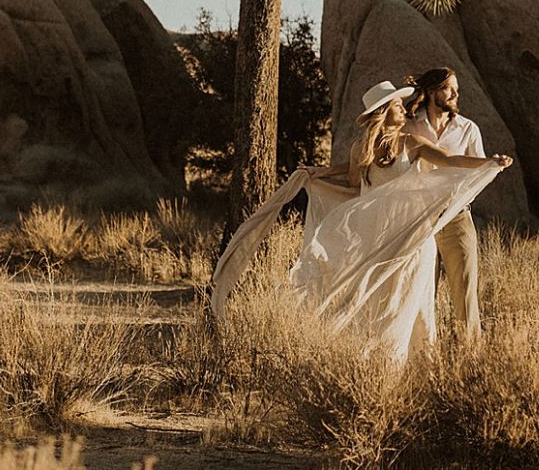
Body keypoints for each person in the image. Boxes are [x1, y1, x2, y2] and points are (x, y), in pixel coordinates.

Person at [210, 80, 511, 361]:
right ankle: (382, 367)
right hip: (378, 241)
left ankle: (415, 373)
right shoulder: (361, 149)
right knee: (381, 305)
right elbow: (356, 185)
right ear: (382, 113)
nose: (403, 109)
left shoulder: (412, 143)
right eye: (396, 106)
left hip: (411, 241)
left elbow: (449, 160)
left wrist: (488, 163)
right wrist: (319, 174)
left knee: (411, 308)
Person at [402, 68, 488, 337]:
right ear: (430, 91)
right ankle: (425, 358)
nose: (455, 94)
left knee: (465, 291)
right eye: (448, 88)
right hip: (418, 218)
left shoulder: (468, 129)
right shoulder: (410, 125)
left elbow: (480, 170)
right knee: (422, 291)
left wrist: (460, 197)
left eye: (456, 89)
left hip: (456, 215)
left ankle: (470, 359)